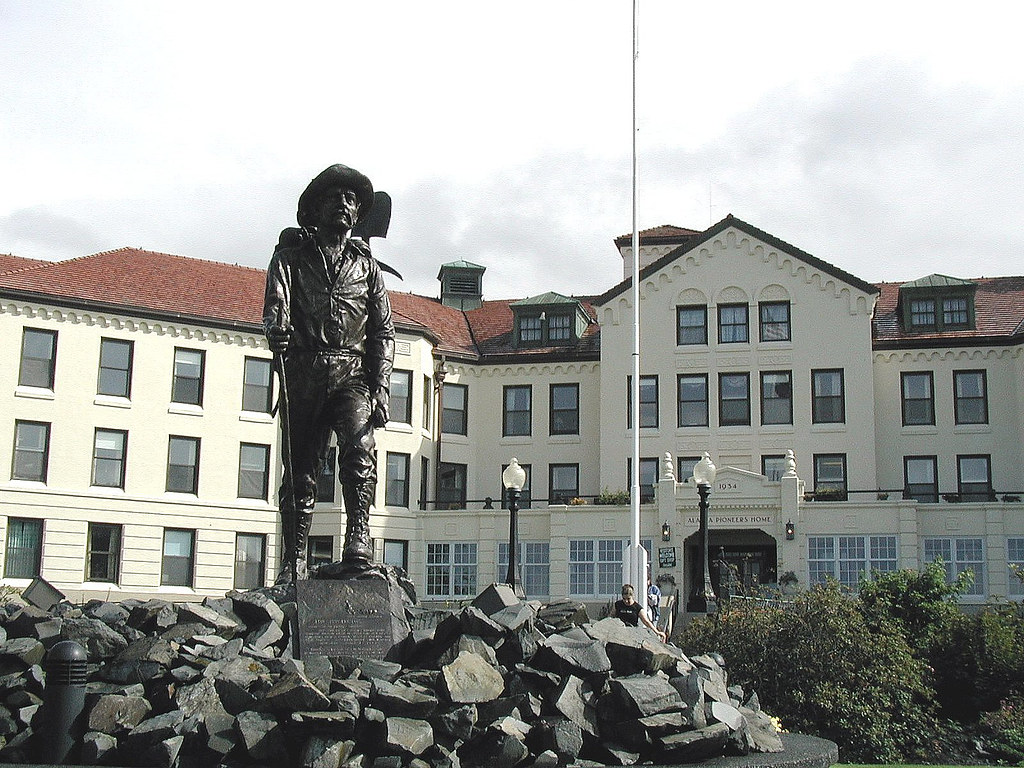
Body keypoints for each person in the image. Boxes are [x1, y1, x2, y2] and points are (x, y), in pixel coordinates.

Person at [263, 164, 396, 582]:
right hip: (303, 370)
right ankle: (294, 560)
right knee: (300, 472)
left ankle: (358, 536)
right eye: (334, 198)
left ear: (357, 214)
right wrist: (275, 330)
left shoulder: (367, 269)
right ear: (315, 209)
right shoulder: (289, 260)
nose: (343, 204)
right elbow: (275, 308)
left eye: (350, 200)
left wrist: (380, 387)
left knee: (360, 448)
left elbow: (383, 331)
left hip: (351, 374)